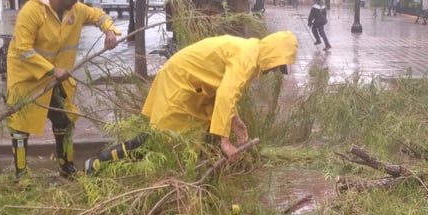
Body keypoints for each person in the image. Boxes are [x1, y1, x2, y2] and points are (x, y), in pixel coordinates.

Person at [83, 30, 298, 174]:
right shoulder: (247, 57)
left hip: (194, 90)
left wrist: (235, 120)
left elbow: (226, 94)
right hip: (179, 84)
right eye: (278, 65)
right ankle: (99, 163)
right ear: (273, 54)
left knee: (195, 138)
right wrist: (225, 140)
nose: (274, 71)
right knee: (159, 140)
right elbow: (225, 94)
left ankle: (200, 182)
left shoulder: (251, 54)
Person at [7, 0, 120, 179]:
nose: (76, 1)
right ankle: (20, 175)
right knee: (20, 126)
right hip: (27, 77)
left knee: (65, 120)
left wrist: (110, 31)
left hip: (57, 77)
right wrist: (51, 69)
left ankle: (66, 167)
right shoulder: (31, 12)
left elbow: (98, 16)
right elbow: (23, 49)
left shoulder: (74, 10)